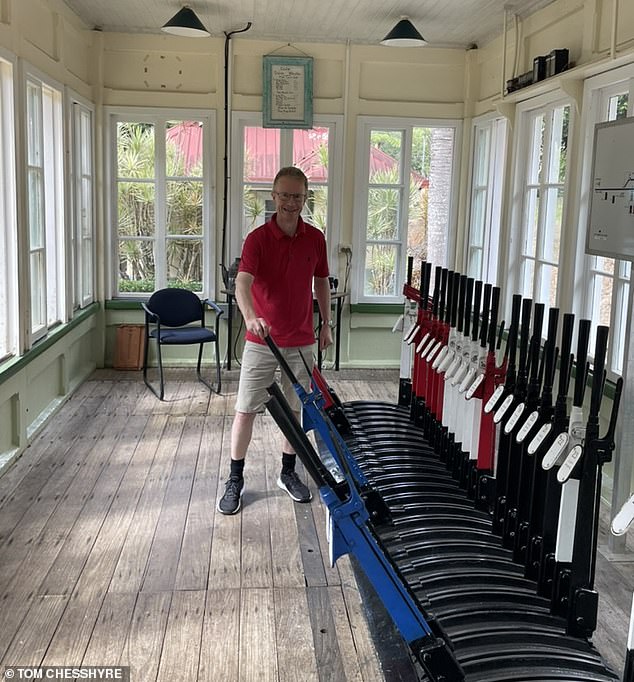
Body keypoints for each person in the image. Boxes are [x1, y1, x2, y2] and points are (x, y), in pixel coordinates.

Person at [217, 166, 333, 515]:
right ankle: (235, 478)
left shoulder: (315, 238)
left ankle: (287, 473)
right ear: (273, 195)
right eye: (284, 195)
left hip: (301, 341)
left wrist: (326, 323)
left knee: (296, 412)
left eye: (297, 196)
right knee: (246, 411)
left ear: (305, 197)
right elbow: (242, 283)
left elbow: (322, 282)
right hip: (261, 341)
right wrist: (251, 316)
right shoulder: (257, 239)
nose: (290, 202)